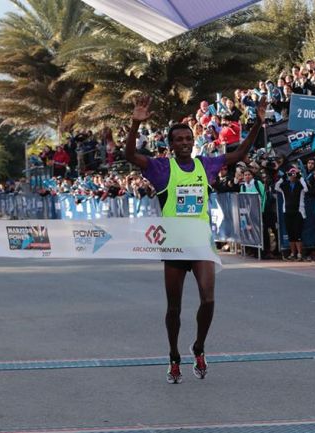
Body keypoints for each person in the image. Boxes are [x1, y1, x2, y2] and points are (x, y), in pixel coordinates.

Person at [125, 94, 267, 384]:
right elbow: (130, 156)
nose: (184, 143)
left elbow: (238, 154)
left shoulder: (206, 165)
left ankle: (199, 346)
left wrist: (258, 124)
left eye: (188, 138)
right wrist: (134, 125)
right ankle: (174, 355)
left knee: (208, 299)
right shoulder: (161, 168)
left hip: (201, 242)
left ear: (193, 140)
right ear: (171, 144)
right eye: (178, 140)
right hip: (175, 244)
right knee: (174, 308)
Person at [275, 167, 308, 261]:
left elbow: (306, 189)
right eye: (290, 174)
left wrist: (300, 177)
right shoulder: (285, 185)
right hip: (287, 212)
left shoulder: (300, 185)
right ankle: (293, 253)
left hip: (299, 212)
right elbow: (276, 186)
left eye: (294, 174)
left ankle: (300, 254)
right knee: (291, 234)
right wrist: (284, 177)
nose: (292, 176)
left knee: (298, 233)